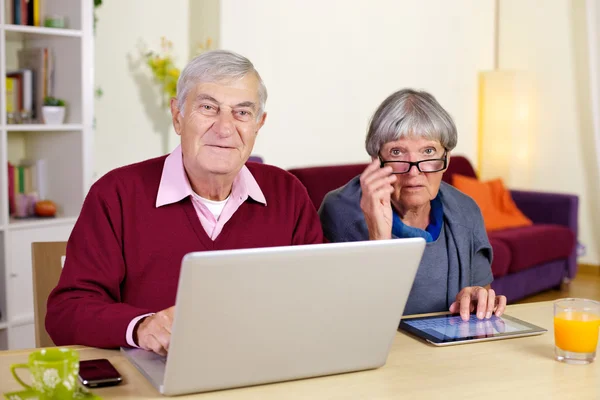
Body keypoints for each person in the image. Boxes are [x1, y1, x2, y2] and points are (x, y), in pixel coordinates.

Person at [46, 50, 323, 355]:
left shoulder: (288, 192)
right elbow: (66, 312)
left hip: (266, 369)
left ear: (259, 124)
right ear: (177, 116)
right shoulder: (117, 194)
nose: (225, 127)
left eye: (242, 112)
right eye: (208, 107)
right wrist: (140, 327)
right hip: (153, 380)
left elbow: (317, 297)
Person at [319, 88, 507, 321]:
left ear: (446, 158)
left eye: (428, 151)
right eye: (397, 152)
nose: (414, 172)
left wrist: (478, 298)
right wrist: (379, 238)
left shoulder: (465, 210)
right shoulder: (341, 212)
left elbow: (481, 298)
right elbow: (341, 318)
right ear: (375, 160)